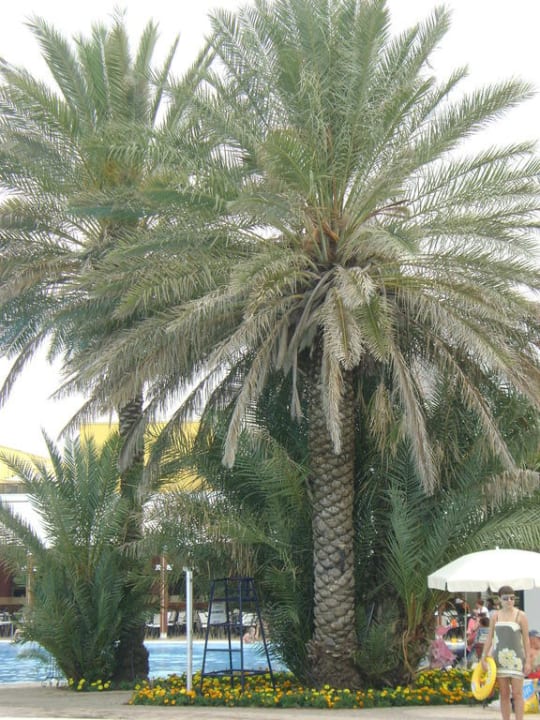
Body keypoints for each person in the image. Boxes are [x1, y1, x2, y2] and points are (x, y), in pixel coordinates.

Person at [482, 586, 531, 720]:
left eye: (512, 598)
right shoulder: (495, 616)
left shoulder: (521, 615)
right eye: (505, 598)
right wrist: (483, 657)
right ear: (499, 599)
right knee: (504, 694)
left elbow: (526, 639)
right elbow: (489, 638)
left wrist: (528, 661)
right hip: (499, 659)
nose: (509, 601)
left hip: (517, 659)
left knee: (517, 693)